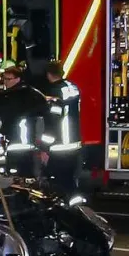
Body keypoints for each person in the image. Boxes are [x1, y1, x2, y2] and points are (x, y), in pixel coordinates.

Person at [40, 63, 82, 193]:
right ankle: (77, 207)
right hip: (74, 144)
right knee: (71, 181)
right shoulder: (72, 87)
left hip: (59, 146)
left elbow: (53, 121)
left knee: (59, 184)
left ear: (48, 74)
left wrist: (44, 148)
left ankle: (65, 210)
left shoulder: (53, 92)